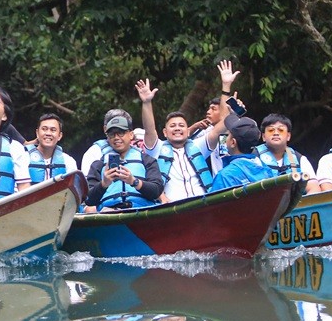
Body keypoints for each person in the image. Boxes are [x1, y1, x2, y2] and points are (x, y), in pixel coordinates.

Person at [137, 61, 238, 202]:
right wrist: (147, 102)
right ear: (165, 132)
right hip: (173, 208)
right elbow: (149, 130)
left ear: (187, 130)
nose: (177, 128)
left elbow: (223, 124)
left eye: (181, 125)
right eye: (173, 126)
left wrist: (226, 86)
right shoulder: (157, 149)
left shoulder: (198, 146)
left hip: (203, 204)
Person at [83, 114, 164, 212]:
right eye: (112, 134)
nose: (116, 138)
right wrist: (104, 184)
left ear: (130, 135)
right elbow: (88, 199)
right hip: (109, 212)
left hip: (141, 210)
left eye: (121, 133)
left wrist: (133, 181)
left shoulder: (147, 160)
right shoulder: (98, 165)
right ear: (108, 138)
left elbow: (157, 190)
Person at [255, 113, 323, 194]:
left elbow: (314, 188)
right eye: (271, 130)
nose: (276, 133)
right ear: (263, 136)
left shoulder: (300, 159)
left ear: (288, 136)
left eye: (281, 130)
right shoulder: (253, 157)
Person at [209, 116, 274, 190]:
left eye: (228, 134)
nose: (224, 138)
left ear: (233, 142)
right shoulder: (266, 170)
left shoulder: (224, 176)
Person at [26, 113, 78, 184]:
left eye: (53, 130)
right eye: (44, 129)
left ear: (59, 136)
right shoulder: (24, 158)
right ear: (37, 133)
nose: (48, 133)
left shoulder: (68, 161)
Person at [80, 108, 135, 175]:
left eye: (121, 131)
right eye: (113, 131)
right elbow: (87, 183)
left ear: (131, 134)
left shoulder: (140, 154)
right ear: (105, 129)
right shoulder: (94, 152)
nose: (117, 137)